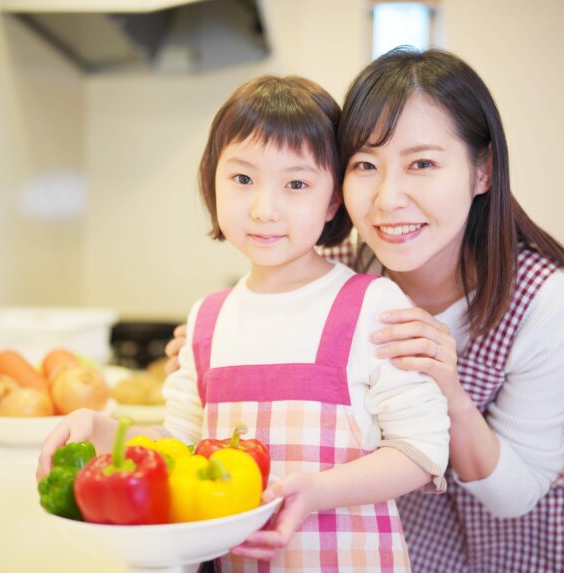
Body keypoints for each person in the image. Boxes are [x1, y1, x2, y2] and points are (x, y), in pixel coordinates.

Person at [166, 48, 564, 572]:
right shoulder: (338, 264)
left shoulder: (543, 299)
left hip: (517, 527)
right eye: (366, 166)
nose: (388, 199)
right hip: (386, 520)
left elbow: (515, 495)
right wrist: (211, 345)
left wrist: (449, 389)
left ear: (482, 170)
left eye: (422, 164)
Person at [37, 75, 450, 572]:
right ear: (211, 180)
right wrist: (103, 429)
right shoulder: (207, 318)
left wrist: (317, 491)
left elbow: (422, 449)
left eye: (296, 184)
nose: (263, 209)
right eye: (242, 179)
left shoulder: (370, 304)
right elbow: (181, 442)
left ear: (333, 200)